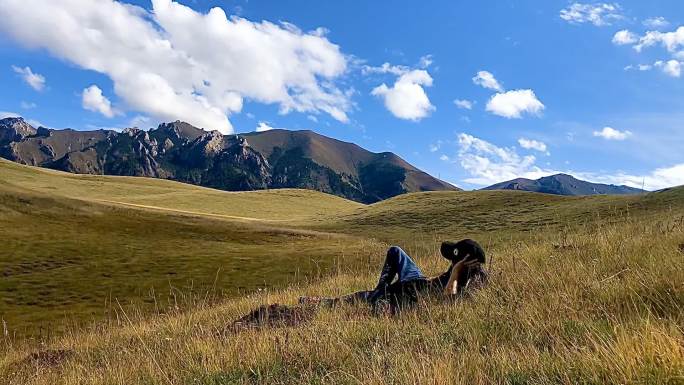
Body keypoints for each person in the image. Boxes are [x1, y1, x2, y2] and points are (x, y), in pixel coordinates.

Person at [299, 239, 488, 313]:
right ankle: (379, 292)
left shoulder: (466, 280)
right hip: (420, 281)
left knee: (359, 298)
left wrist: (456, 271)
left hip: (411, 291)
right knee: (395, 251)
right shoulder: (475, 274)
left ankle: (321, 302)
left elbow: (449, 302)